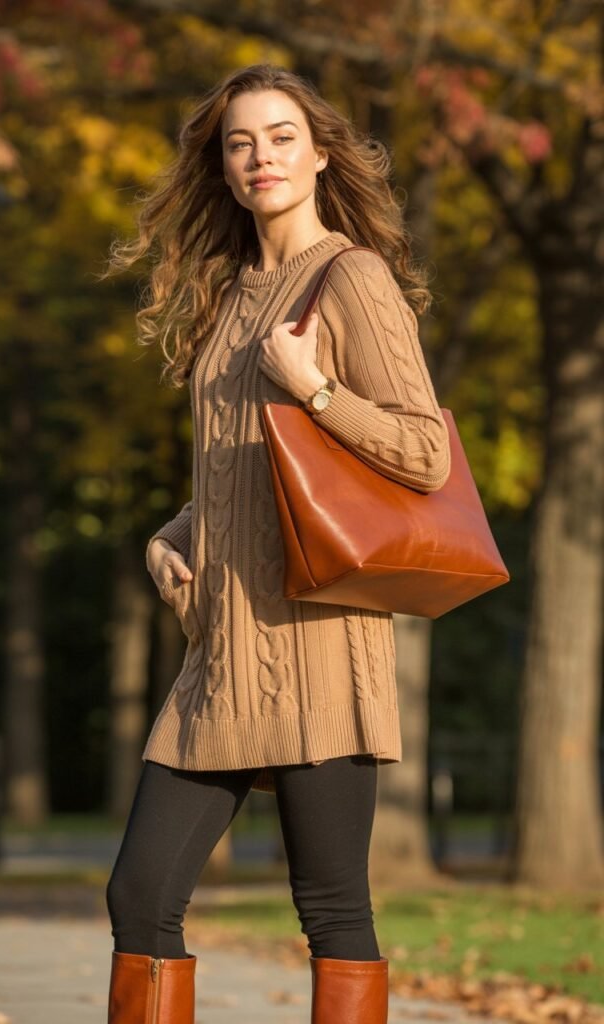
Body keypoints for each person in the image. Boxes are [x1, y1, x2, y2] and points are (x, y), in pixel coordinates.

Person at [102, 62, 451, 1024]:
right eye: (240, 143)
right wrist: (169, 535)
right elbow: (243, 467)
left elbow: (424, 452)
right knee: (139, 895)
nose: (261, 157)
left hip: (319, 647)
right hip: (221, 649)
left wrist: (318, 390)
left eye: (282, 137)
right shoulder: (234, 294)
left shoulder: (352, 277)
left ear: (321, 152)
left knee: (332, 909)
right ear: (220, 167)